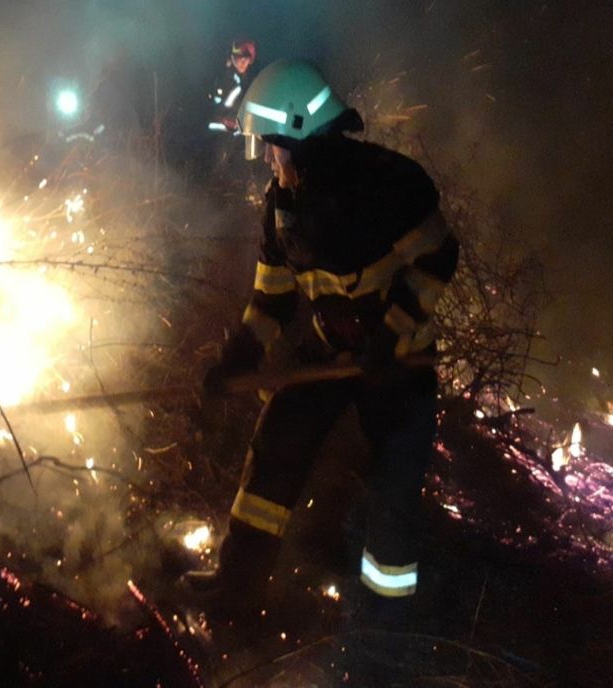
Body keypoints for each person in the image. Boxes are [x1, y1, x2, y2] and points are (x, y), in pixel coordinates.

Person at [184, 59, 460, 614]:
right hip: (328, 348)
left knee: (392, 489)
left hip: (399, 361)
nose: (266, 158)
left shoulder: (391, 186)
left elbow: (437, 257)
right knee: (277, 438)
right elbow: (272, 299)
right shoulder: (282, 207)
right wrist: (239, 357)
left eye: (272, 145)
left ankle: (383, 623)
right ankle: (238, 584)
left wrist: (389, 338)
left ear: (302, 136)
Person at [208, 38, 258, 135]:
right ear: (232, 57)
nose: (243, 62)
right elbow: (215, 110)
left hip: (239, 134)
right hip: (220, 134)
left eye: (247, 58)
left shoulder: (249, 81)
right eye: (240, 57)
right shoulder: (222, 78)